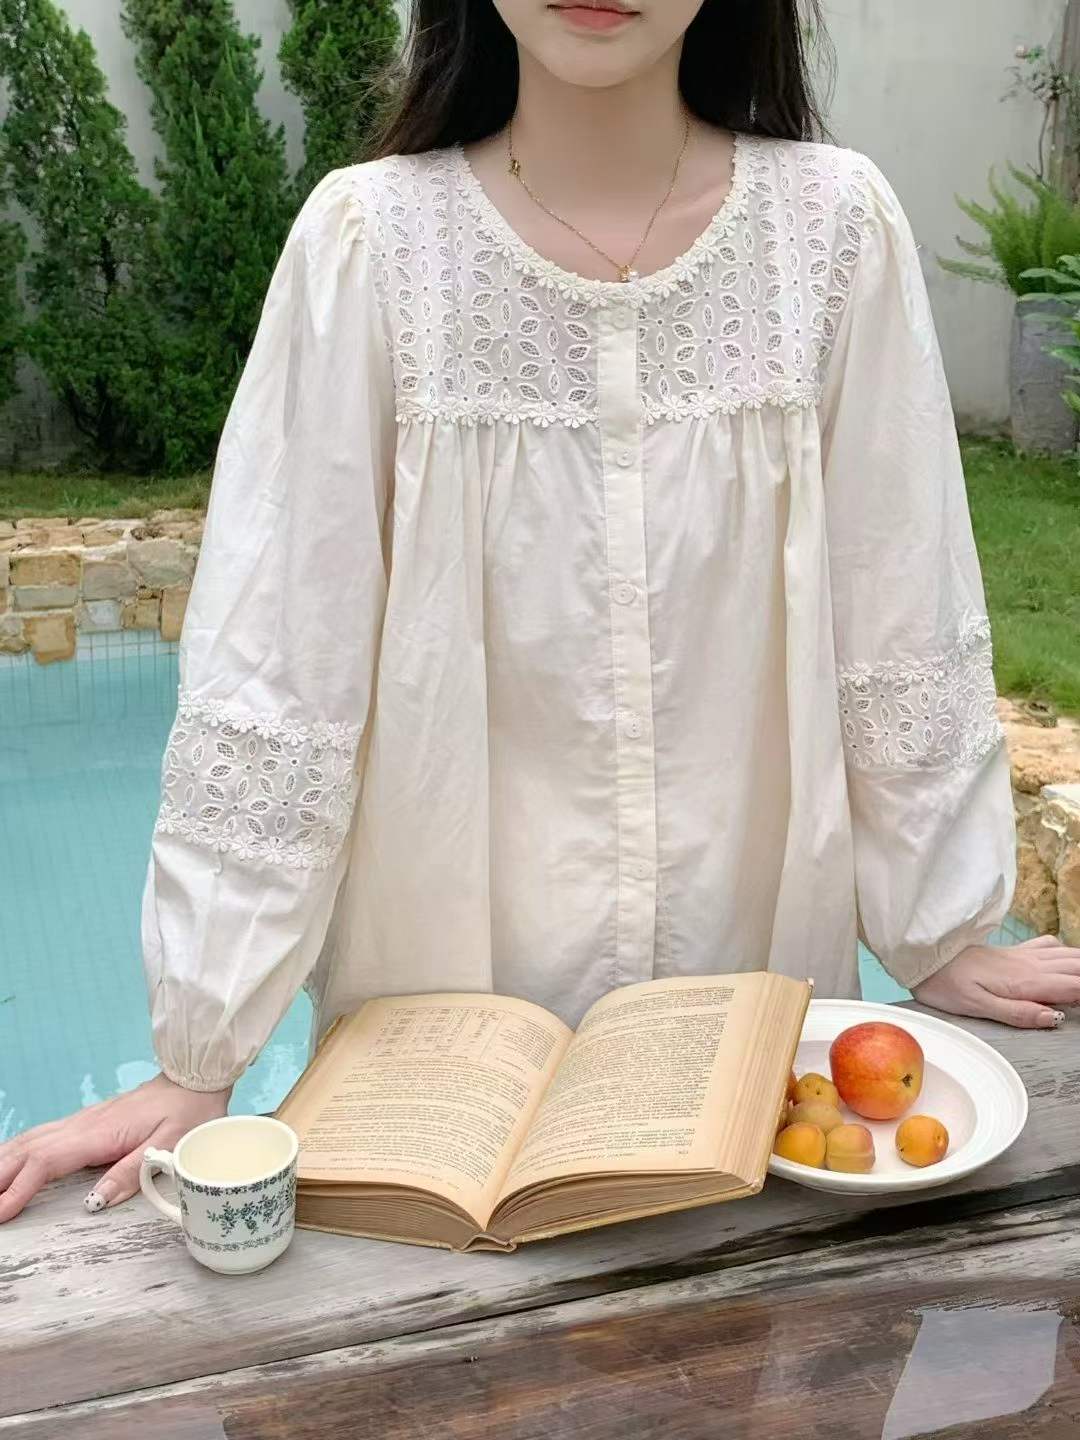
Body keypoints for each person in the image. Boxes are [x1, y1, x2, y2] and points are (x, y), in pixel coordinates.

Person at [3, 0, 1078, 1226]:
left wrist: (941, 929)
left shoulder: (832, 234)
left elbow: (901, 594)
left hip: (754, 1075)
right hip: (437, 1089)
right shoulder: (369, 248)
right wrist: (201, 1054)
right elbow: (281, 663)